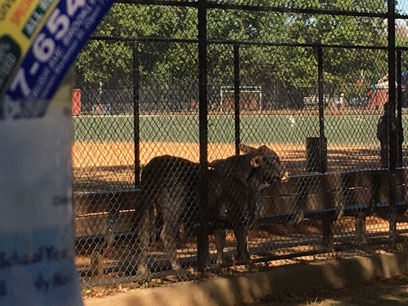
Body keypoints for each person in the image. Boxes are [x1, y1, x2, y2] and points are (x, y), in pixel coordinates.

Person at [377, 102, 404, 168]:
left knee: (396, 161)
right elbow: (380, 133)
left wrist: (399, 142)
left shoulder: (396, 120)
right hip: (386, 144)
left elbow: (400, 133)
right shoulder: (383, 120)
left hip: (395, 144)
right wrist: (384, 143)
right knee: (386, 162)